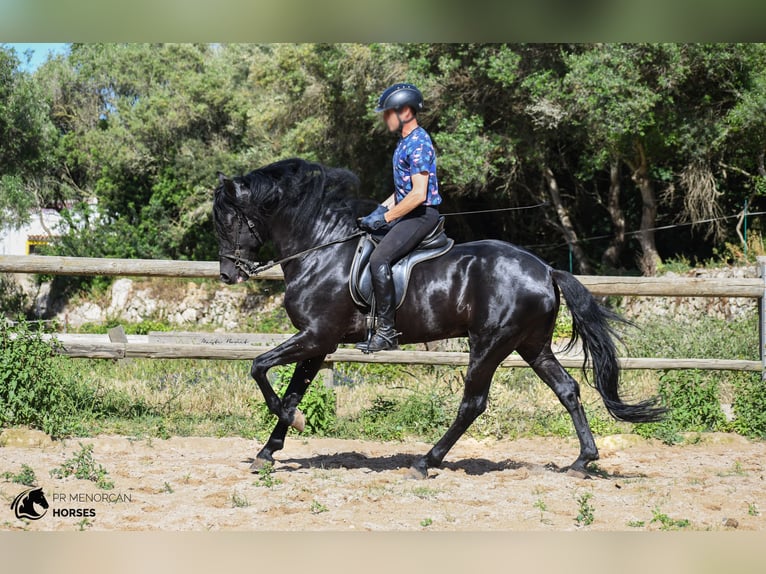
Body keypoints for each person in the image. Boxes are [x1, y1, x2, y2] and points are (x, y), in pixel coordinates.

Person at [356, 82, 442, 352]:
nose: (384, 118)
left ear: (405, 111)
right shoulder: (405, 143)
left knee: (380, 258)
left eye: (387, 113)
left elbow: (417, 194)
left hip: (420, 215)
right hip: (407, 213)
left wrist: (387, 218)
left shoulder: (419, 143)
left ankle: (387, 332)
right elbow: (401, 190)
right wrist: (378, 212)